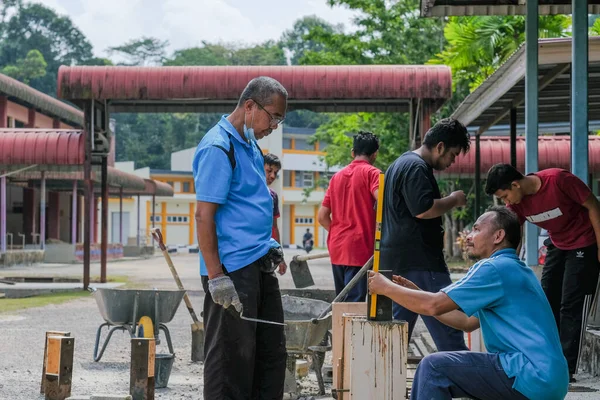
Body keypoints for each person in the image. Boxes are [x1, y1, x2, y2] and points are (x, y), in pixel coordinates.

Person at [368, 207, 569, 400]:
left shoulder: (493, 268)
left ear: (498, 236)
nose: (469, 236)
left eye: (476, 229)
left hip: (528, 372)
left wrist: (384, 287)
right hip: (550, 379)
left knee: (434, 368)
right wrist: (417, 293)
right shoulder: (516, 268)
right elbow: (465, 321)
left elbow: (434, 305)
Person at [193, 76, 288, 399]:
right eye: (272, 117)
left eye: (279, 120)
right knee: (231, 363)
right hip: (232, 271)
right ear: (249, 106)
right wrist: (216, 276)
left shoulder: (248, 144)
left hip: (258, 264)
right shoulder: (218, 147)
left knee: (269, 357)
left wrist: (270, 246)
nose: (274, 126)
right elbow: (204, 216)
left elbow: (249, 204)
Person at [485, 163, 600, 382]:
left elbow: (594, 206)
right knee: (545, 301)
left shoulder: (558, 180)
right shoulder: (517, 205)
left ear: (516, 184)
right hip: (557, 243)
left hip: (584, 242)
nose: (507, 202)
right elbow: (513, 237)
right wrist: (508, 265)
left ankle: (566, 367)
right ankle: (548, 360)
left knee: (571, 303)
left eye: (506, 196)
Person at [380, 118, 470, 351]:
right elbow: (423, 209)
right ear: (439, 146)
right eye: (452, 154)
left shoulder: (398, 164)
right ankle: (461, 377)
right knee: (446, 321)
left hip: (399, 259)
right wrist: (454, 200)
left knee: (397, 331)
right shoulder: (417, 167)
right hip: (420, 261)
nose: (452, 161)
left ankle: (386, 380)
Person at [318, 131, 380, 301]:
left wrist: (339, 231)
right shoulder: (373, 174)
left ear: (353, 152)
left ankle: (338, 328)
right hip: (360, 247)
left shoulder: (336, 177)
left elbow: (322, 216)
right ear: (375, 154)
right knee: (354, 305)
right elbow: (383, 200)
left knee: (341, 301)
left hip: (337, 246)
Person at [264, 153, 287, 275]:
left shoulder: (273, 196)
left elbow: (274, 227)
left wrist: (280, 257)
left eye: (275, 173)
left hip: (266, 254)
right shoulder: (246, 192)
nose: (272, 176)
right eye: (269, 171)